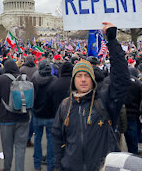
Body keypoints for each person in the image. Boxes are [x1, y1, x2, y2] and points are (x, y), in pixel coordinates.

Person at [52, 22, 131, 171]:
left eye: (87, 76)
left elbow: (121, 80)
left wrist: (112, 41)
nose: (83, 79)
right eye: (79, 76)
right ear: (73, 80)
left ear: (92, 79)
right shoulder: (65, 106)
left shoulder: (104, 101)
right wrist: (59, 165)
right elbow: (57, 139)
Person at [0, 59, 30, 171]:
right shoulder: (25, 78)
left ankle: (7, 168)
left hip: (6, 119)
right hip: (23, 117)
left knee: (7, 148)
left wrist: (1, 113)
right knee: (20, 148)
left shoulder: (1, 79)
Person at [31, 59, 57, 171]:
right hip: (50, 115)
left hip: (37, 113)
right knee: (50, 140)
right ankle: (50, 165)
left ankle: (37, 164)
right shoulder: (54, 80)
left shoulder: (34, 79)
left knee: (37, 138)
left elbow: (32, 96)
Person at [124, 66, 142, 154]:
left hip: (121, 114)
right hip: (133, 115)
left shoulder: (121, 81)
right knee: (132, 141)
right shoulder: (139, 83)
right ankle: (133, 156)